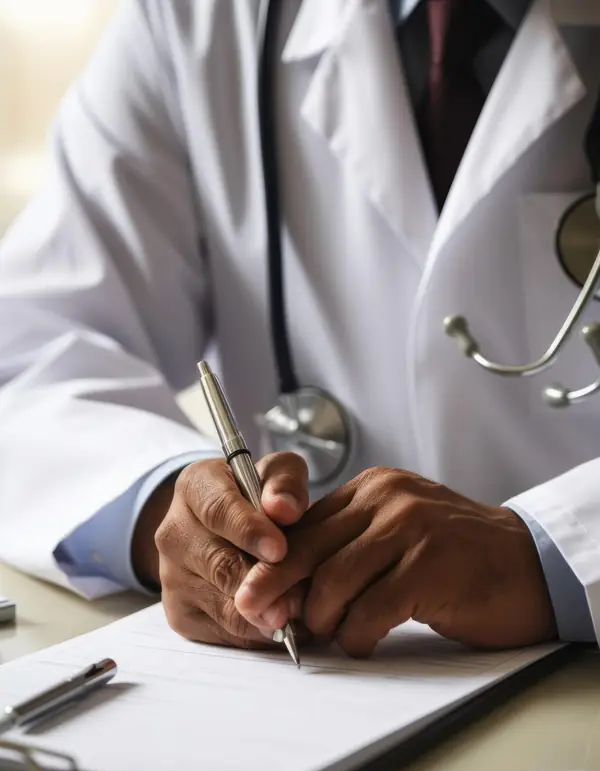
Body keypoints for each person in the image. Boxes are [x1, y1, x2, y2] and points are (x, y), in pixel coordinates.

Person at [0, 0, 599, 656]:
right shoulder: (198, 19)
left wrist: (553, 553)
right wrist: (172, 510)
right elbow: (28, 352)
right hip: (312, 684)